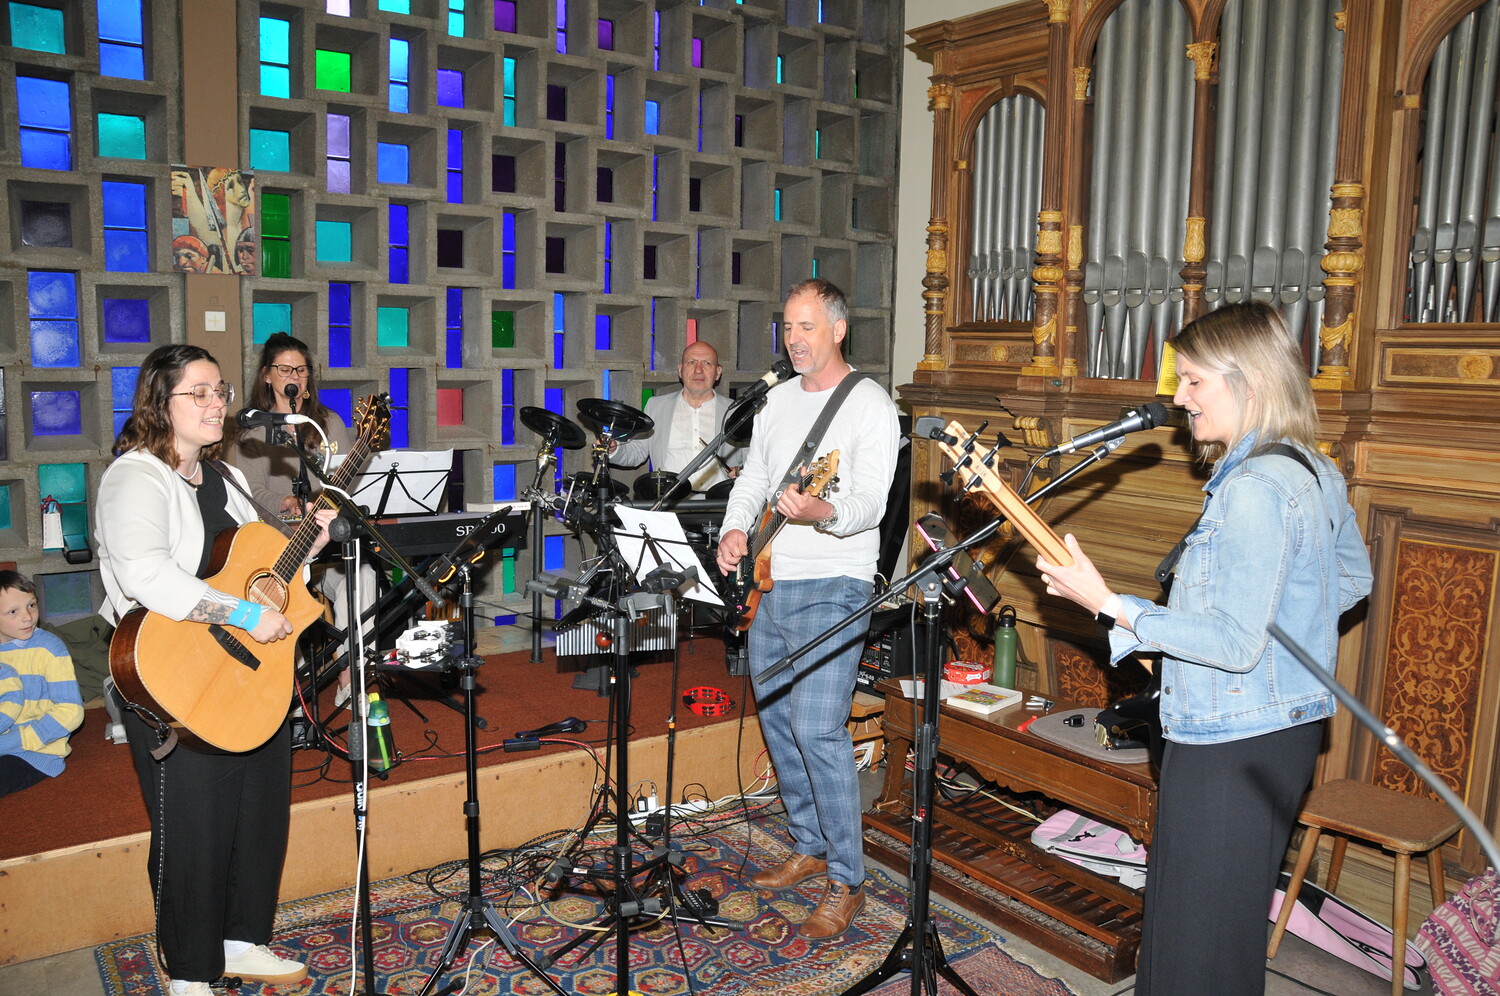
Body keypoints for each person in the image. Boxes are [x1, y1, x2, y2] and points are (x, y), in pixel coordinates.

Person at [1034, 301, 1373, 995]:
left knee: (1194, 945)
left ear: (1251, 382)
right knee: (1219, 932)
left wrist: (1109, 603)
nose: (1179, 397)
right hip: (1279, 734)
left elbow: (1233, 641)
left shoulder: (1254, 488)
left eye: (1194, 380)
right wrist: (1284, 627)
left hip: (1231, 740)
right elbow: (1349, 580)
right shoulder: (1313, 467)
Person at [96, 344, 336, 996]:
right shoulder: (135, 477)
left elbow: (256, 568)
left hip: (244, 674)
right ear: (159, 401)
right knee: (194, 829)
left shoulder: (225, 477)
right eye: (197, 392)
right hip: (171, 675)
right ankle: (190, 970)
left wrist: (307, 547)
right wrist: (244, 613)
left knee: (259, 813)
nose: (215, 403)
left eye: (220, 391)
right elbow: (146, 576)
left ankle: (240, 939)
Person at [715, 278, 899, 939]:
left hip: (836, 583)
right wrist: (735, 530)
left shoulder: (870, 404)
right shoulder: (776, 400)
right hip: (771, 583)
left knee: (818, 729)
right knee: (776, 718)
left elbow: (871, 502)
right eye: (787, 327)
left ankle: (848, 879)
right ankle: (809, 843)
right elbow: (754, 479)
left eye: (806, 327)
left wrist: (824, 510)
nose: (793, 339)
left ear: (838, 329)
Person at [231, 332, 367, 706]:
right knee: (288, 600)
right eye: (285, 369)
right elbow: (250, 491)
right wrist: (288, 501)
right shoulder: (252, 431)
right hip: (280, 542)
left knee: (365, 577)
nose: (295, 376)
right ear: (266, 376)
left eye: (302, 370)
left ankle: (350, 672)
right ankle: (291, 690)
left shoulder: (328, 424)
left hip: (327, 538)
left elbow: (343, 482)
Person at [609, 341, 745, 496]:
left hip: (720, 501)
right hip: (669, 500)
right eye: (691, 362)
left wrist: (741, 471)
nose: (698, 370)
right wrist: (614, 449)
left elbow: (754, 459)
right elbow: (638, 452)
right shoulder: (656, 406)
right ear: (680, 370)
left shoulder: (736, 410)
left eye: (707, 363)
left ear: (718, 372)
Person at [0, 569, 84, 798]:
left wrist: (13, 741)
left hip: (36, 751)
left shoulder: (49, 648)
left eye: (32, 605)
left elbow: (71, 712)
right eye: (13, 611)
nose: (27, 617)